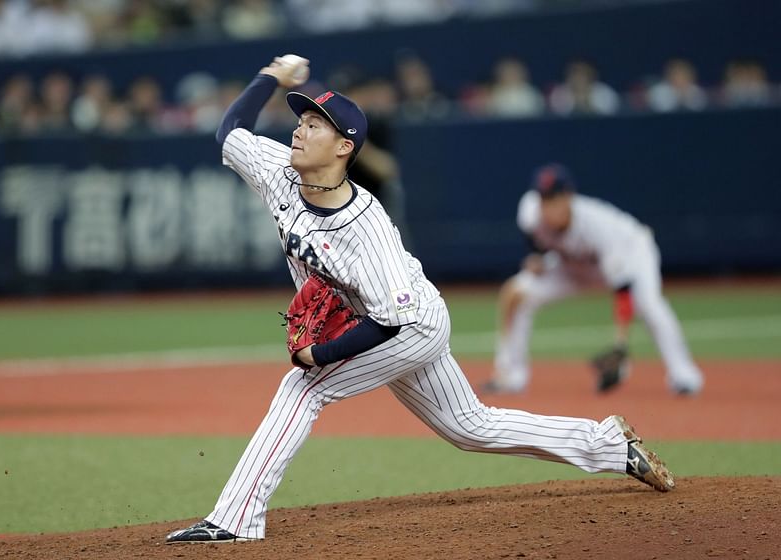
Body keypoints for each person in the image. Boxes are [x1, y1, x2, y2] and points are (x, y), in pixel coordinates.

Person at [165, 56, 676, 545]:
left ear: (345, 147)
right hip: (387, 318)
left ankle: (235, 518)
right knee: (470, 426)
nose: (298, 130)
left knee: (303, 388)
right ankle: (609, 445)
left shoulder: (365, 229)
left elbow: (389, 323)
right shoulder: (279, 168)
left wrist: (316, 356)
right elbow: (229, 130)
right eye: (300, 120)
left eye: (314, 125)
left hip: (410, 326)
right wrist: (270, 77)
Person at [486, 163, 705, 396]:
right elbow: (533, 240)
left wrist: (620, 347)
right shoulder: (530, 211)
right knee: (516, 293)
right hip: (573, 265)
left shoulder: (598, 228)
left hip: (632, 252)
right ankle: (511, 375)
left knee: (649, 305)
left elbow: (623, 289)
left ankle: (684, 376)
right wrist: (537, 258)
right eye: (543, 198)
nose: (547, 206)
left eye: (554, 198)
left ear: (569, 197)